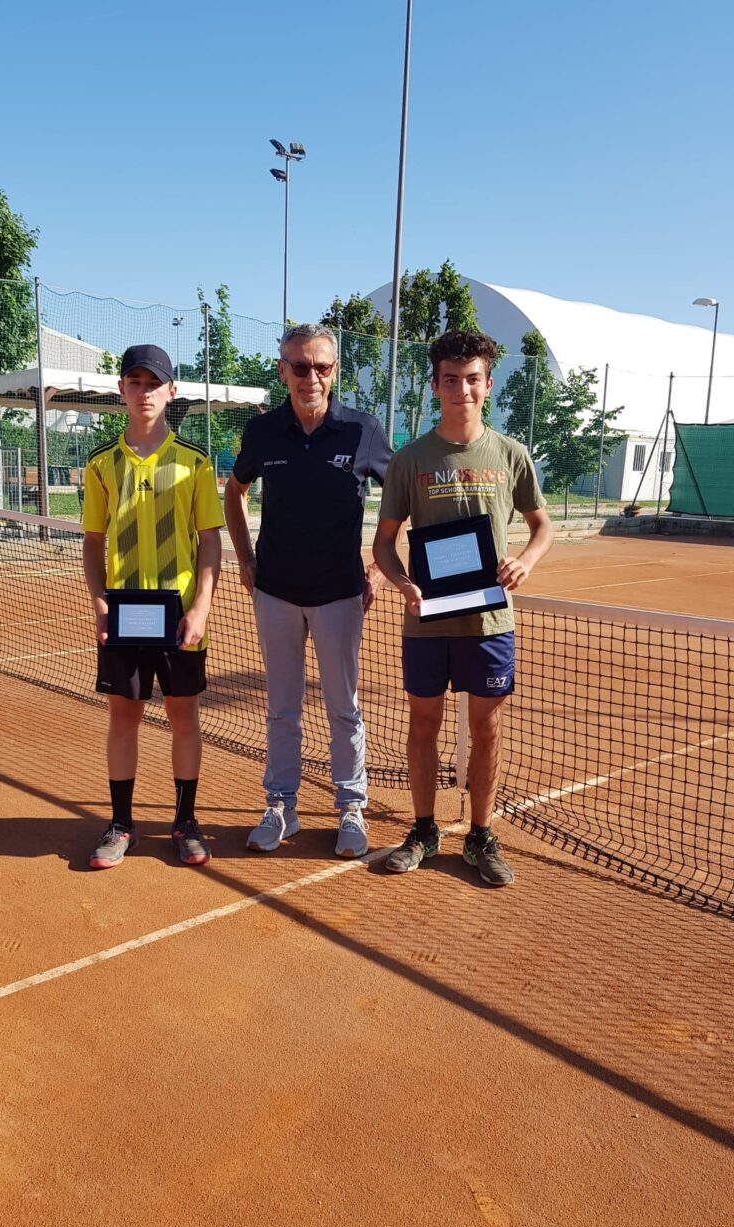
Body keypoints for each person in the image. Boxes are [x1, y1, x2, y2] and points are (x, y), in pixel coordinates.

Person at [373, 329, 553, 886]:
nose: (462, 390)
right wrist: (403, 584)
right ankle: (424, 830)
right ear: (435, 386)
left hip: (489, 620)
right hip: (426, 621)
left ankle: (480, 834)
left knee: (487, 728)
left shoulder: (511, 454)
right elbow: (383, 543)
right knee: (422, 724)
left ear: (488, 384)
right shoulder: (410, 459)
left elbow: (541, 526)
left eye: (472, 379)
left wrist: (525, 561)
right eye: (451, 380)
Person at [224, 322, 392, 856]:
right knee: (282, 708)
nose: (310, 377)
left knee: (343, 708)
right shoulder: (262, 432)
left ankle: (351, 808)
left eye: (321, 367)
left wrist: (380, 567)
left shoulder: (363, 430)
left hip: (340, 594)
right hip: (275, 591)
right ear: (283, 371)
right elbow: (235, 491)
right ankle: (282, 807)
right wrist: (246, 559)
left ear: (334, 371)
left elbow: (402, 499)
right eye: (300, 366)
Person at [82, 343, 223, 869]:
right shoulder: (101, 464)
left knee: (184, 716)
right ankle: (121, 823)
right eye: (135, 382)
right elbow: (93, 541)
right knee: (124, 717)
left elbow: (210, 540)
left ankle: (186, 821)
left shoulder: (195, 463)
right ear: (121, 389)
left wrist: (201, 608)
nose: (144, 392)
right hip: (124, 617)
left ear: (171, 391)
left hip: (180, 618)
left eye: (154, 383)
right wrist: (100, 602)